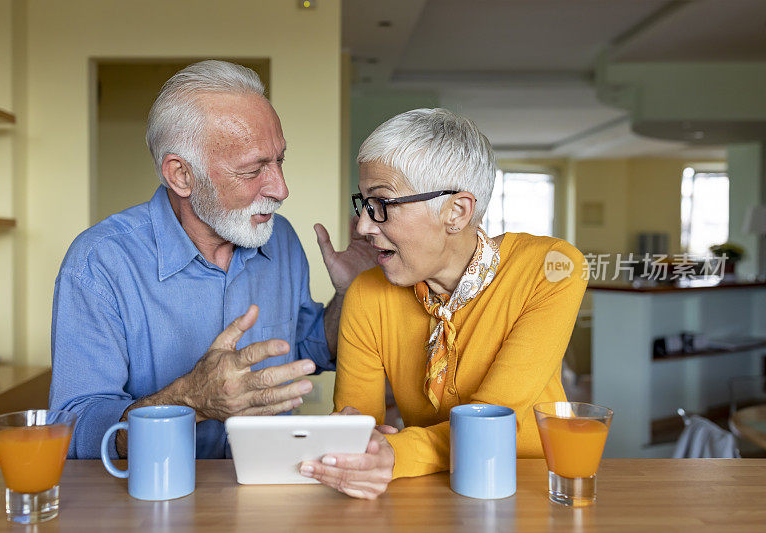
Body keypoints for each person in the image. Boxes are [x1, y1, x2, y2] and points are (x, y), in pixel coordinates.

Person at [49, 60, 375, 459]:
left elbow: (303, 349)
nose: (281, 188)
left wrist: (354, 294)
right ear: (181, 175)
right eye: (253, 169)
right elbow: (74, 428)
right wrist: (190, 400)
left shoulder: (282, 238)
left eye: (279, 161)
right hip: (156, 500)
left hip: (271, 490)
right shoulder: (100, 262)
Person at [299, 109, 587, 499]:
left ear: (456, 211)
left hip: (528, 487)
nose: (365, 226)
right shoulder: (366, 293)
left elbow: (489, 422)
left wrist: (395, 452)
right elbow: (358, 430)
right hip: (421, 488)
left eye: (381, 203)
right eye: (363, 203)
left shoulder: (552, 268)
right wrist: (357, 446)